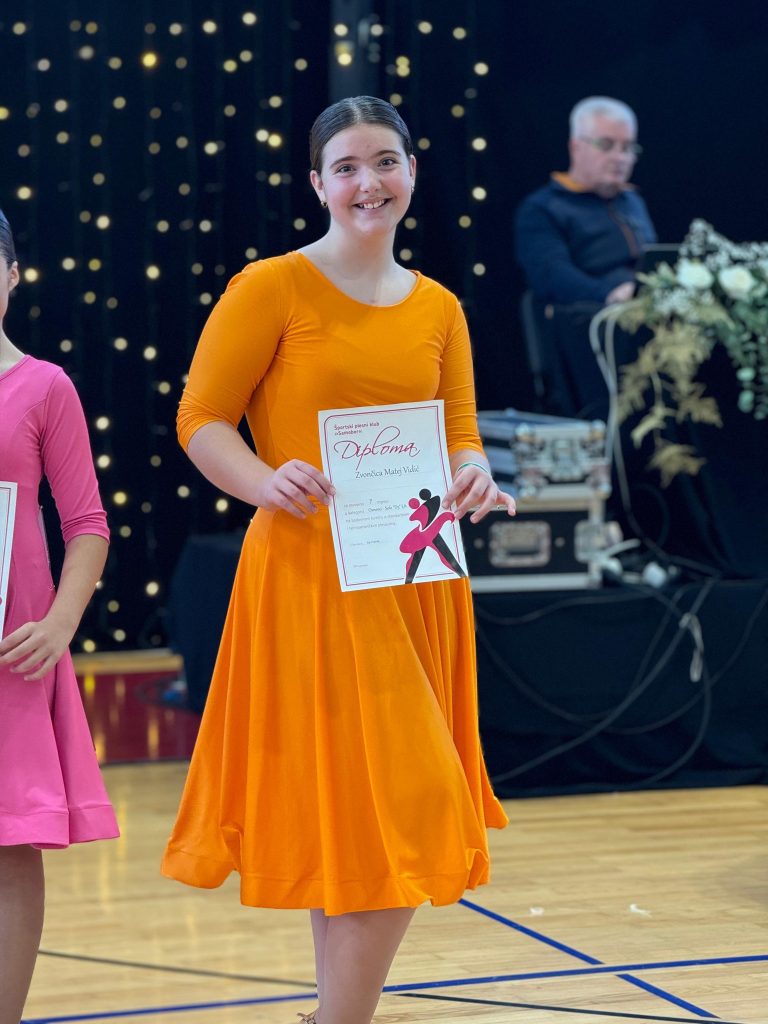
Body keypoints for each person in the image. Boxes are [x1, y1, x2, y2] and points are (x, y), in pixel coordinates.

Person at [161, 96, 515, 1024]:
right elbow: (201, 419)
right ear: (318, 184)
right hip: (310, 579)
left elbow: (460, 429)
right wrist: (262, 479)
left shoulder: (439, 307)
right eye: (348, 167)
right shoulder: (270, 286)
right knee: (403, 803)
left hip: (413, 578)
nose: (370, 183)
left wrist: (475, 473)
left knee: (371, 811)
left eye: (385, 161)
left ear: (412, 173)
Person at [0, 208, 119, 1024]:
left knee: (10, 848)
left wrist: (58, 624)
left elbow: (87, 524)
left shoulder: (46, 386)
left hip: (14, 651)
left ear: (12, 275)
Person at [515, 96, 657, 307]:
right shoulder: (542, 208)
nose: (620, 158)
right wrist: (609, 295)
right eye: (606, 145)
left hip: (647, 310)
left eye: (627, 147)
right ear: (576, 147)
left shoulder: (632, 200)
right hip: (592, 315)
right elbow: (551, 274)